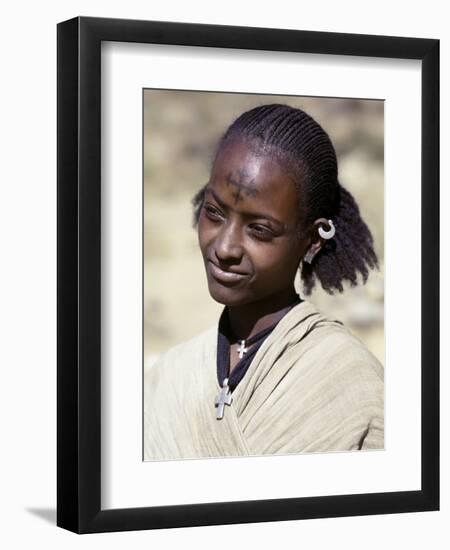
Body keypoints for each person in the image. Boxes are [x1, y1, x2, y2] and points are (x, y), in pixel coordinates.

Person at [144, 103, 383, 461]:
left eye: (259, 230)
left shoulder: (348, 379)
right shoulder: (171, 374)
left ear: (313, 239)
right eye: (214, 213)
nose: (224, 247)